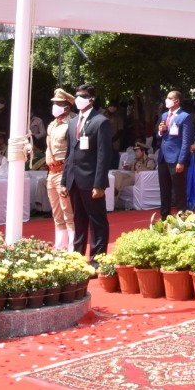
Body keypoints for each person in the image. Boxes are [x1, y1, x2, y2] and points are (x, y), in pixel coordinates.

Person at [65, 83, 112, 263]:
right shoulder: (72, 122)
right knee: (78, 221)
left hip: (91, 180)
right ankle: (77, 257)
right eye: (76, 95)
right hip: (74, 180)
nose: (78, 99)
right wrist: (64, 181)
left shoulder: (101, 122)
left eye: (82, 96)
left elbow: (103, 155)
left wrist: (99, 184)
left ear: (91, 99)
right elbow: (69, 154)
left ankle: (97, 260)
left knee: (97, 221)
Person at [43, 89, 75, 251]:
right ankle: (61, 245)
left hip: (63, 171)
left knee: (68, 212)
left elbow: (73, 152)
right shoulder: (52, 125)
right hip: (51, 172)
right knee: (56, 213)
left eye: (58, 104)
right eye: (54, 103)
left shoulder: (71, 124)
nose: (55, 106)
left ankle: (72, 247)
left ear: (67, 107)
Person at [155, 90, 192, 220]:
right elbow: (159, 136)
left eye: (170, 98)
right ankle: (165, 217)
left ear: (177, 101)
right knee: (164, 189)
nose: (167, 100)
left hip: (176, 158)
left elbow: (186, 141)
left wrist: (181, 161)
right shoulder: (165, 115)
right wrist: (160, 132)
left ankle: (182, 216)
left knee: (179, 190)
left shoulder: (185, 116)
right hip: (163, 157)